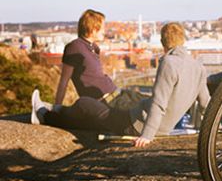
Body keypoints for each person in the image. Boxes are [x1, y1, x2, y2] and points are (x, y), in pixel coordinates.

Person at [32, 22, 211, 147]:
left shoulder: (169, 62)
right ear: (183, 40)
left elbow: (159, 103)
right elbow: (205, 104)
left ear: (164, 42)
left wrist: (147, 135)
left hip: (138, 124)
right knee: (93, 121)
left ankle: (45, 115)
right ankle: (52, 112)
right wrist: (216, 126)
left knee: (84, 103)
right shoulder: (198, 67)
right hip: (161, 125)